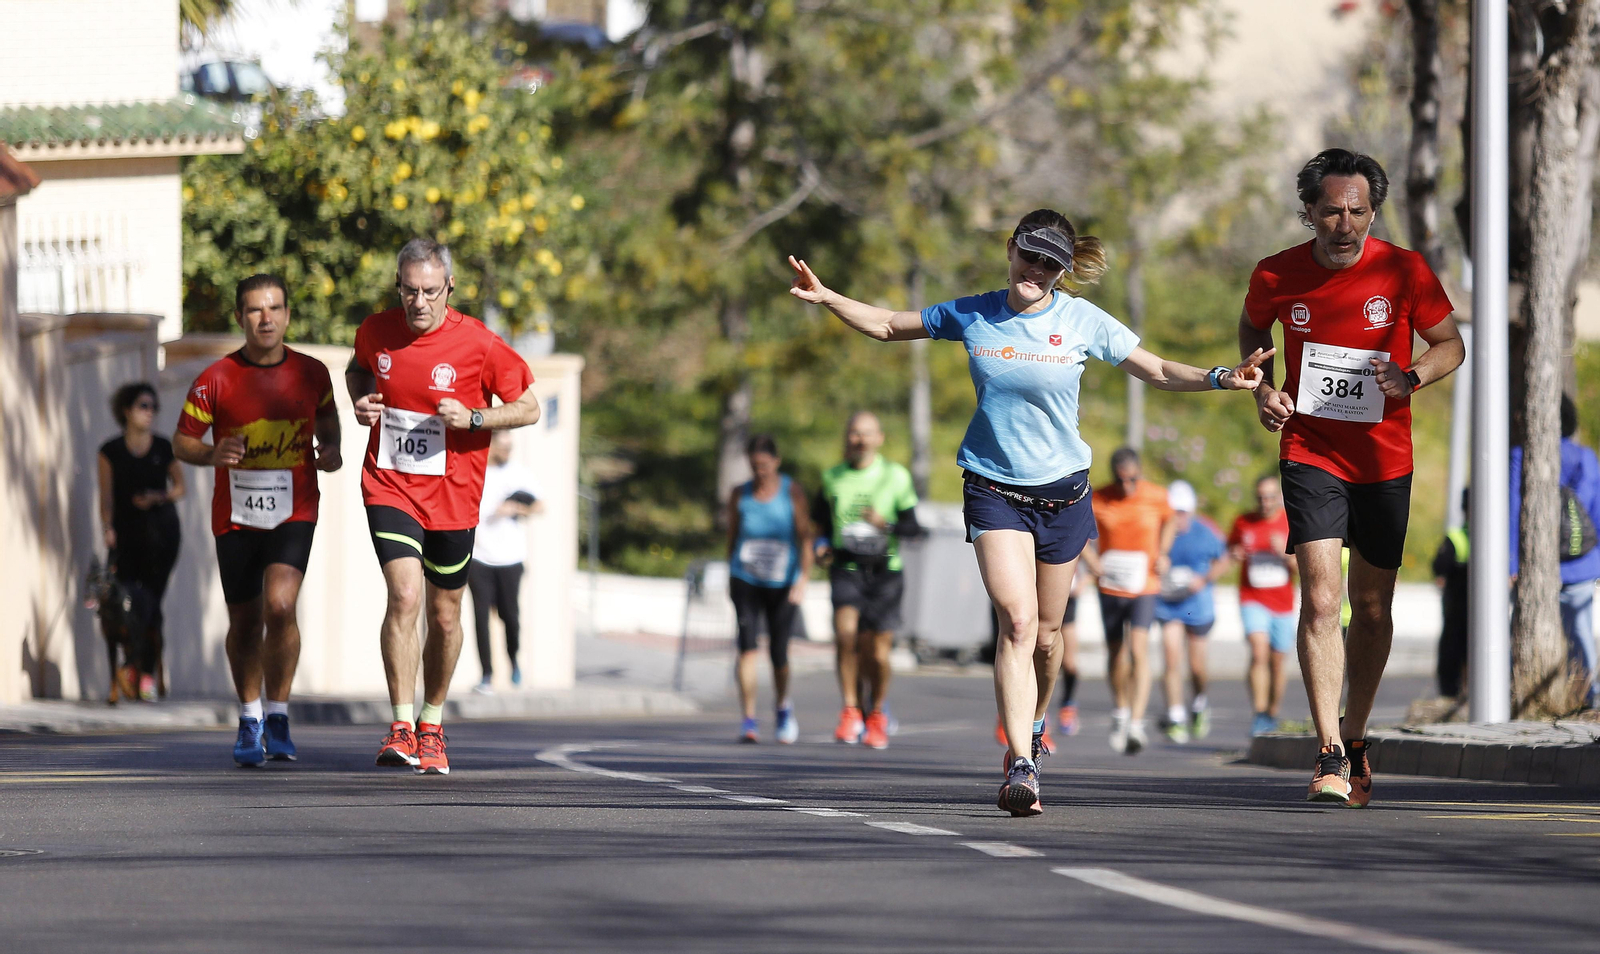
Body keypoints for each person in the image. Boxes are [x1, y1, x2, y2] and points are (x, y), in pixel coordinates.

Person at [789, 208, 1269, 816]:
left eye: (1050, 264)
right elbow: (887, 324)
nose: (1035, 271)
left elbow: (1158, 371)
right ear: (1011, 249)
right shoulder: (974, 313)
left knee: (1047, 636)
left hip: (1065, 494)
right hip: (993, 488)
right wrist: (828, 296)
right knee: (1016, 623)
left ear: (1062, 272)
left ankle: (1037, 721)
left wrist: (1224, 377)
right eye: (1029, 255)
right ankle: (1020, 763)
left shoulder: (1080, 320)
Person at [1239, 148, 1464, 806]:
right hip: (1310, 449)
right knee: (1320, 598)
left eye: (1358, 211)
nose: (1345, 223)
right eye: (1331, 211)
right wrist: (1265, 389)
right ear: (1308, 211)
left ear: (1373, 211)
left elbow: (1450, 343)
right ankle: (1327, 751)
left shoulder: (1404, 270)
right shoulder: (1277, 273)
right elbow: (1254, 326)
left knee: (1371, 609)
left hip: (1383, 457)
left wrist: (1412, 375)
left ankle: (1356, 733)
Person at [346, 238, 540, 775]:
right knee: (405, 595)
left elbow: (528, 407)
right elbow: (357, 370)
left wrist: (476, 419)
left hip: (454, 498)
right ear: (398, 288)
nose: (420, 303)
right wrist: (359, 399)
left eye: (431, 292)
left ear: (449, 288)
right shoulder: (376, 330)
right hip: (390, 484)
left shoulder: (478, 343)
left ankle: (432, 725)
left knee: (445, 614)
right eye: (410, 291)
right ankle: (401, 727)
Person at [174, 274, 341, 766]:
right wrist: (211, 454)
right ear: (240, 318)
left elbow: (328, 421)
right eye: (254, 310)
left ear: (288, 315)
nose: (265, 318)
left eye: (274, 309)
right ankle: (250, 718)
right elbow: (182, 441)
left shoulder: (312, 374)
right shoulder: (216, 379)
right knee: (245, 621)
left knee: (281, 606)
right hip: (236, 517)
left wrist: (331, 450)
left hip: (295, 509)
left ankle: (279, 712)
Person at [813, 411, 920, 749]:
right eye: (855, 433)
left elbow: (914, 528)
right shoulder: (832, 477)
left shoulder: (895, 476)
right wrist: (820, 546)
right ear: (847, 437)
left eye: (867, 434)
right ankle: (849, 710)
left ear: (880, 438)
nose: (860, 440)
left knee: (877, 652)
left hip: (885, 570)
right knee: (845, 635)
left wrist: (883, 525)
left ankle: (876, 713)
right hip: (846, 568)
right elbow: (820, 525)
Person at [1083, 447, 1177, 755]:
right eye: (1121, 479)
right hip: (1110, 584)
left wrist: (1163, 553)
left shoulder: (1156, 496)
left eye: (1132, 478)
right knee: (1115, 652)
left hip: (1144, 584)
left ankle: (1136, 723)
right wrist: (1090, 560)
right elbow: (1078, 531)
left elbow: (1171, 522)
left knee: (1138, 650)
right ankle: (1120, 710)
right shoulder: (1099, 497)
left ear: (1140, 473)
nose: (1127, 485)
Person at [1510, 395, 1600, 710]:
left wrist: (1511, 562)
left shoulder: (1522, 456)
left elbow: (1512, 512)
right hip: (1583, 563)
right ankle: (1589, 697)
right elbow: (1596, 510)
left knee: (1524, 631)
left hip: (1533, 567)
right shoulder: (1586, 458)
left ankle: (1525, 698)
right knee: (1581, 634)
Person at [97, 382, 185, 702]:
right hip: (126, 535)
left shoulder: (163, 447)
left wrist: (157, 496)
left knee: (150, 600)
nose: (150, 413)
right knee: (125, 600)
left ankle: (143, 670)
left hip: (162, 534)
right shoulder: (110, 451)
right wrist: (107, 526)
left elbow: (180, 487)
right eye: (143, 406)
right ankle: (133, 666)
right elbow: (106, 496)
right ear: (126, 410)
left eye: (153, 407)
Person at [728, 434, 813, 743]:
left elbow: (805, 538)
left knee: (779, 652)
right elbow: (732, 535)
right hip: (746, 579)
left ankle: (781, 707)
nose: (759, 471)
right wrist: (730, 571)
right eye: (754, 466)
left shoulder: (792, 491)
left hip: (782, 583)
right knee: (747, 648)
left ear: (776, 462)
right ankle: (748, 719)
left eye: (764, 465)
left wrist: (802, 579)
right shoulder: (740, 494)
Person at [467, 429, 543, 694]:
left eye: (511, 448)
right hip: (478, 557)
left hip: (510, 558)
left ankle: (513, 660)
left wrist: (515, 508)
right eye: (504, 447)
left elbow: (539, 506)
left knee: (510, 616)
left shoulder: (519, 474)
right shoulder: (476, 471)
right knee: (480, 616)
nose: (508, 452)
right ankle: (486, 674)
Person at [1152, 480, 1228, 744]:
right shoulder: (1159, 532)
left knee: (1196, 666)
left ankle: (1198, 702)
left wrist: (1203, 580)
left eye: (1183, 512)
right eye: (1174, 512)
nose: (1178, 518)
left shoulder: (1205, 531)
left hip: (1197, 604)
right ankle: (1175, 714)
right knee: (1171, 657)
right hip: (1168, 603)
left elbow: (1224, 559)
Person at [1229, 474, 1298, 737]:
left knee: (1278, 661)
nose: (1264, 503)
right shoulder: (1243, 522)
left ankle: (1272, 711)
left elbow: (1303, 567)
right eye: (1260, 497)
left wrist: (1283, 553)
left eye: (1269, 497)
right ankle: (1258, 713)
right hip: (1252, 598)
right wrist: (1235, 553)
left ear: (1278, 498)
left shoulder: (1289, 523)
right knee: (1258, 652)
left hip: (1282, 603)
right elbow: (1230, 550)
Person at [1431, 489, 1470, 700]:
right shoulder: (1459, 538)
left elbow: (1438, 568)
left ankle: (1452, 692)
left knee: (1452, 652)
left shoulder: (1455, 537)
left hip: (1456, 608)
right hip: (1462, 610)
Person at [1054, 569, 1088, 737]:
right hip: (1041, 589)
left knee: (1068, 662)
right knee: (1040, 656)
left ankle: (1068, 705)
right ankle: (1037, 713)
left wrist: (1084, 581)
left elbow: (1094, 560)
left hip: (1067, 596)